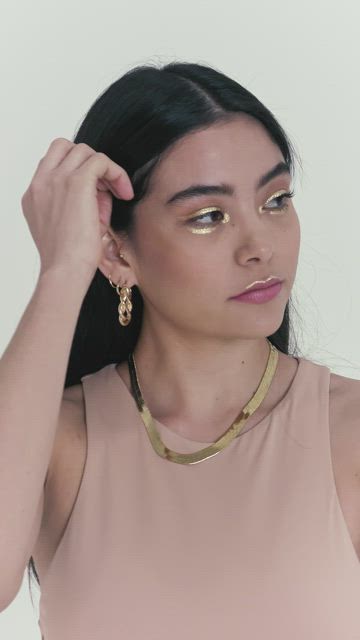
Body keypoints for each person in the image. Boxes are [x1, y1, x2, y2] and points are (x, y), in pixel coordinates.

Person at [1, 61, 360, 638]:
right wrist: (63, 270)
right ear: (117, 254)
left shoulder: (347, 432)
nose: (259, 246)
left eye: (275, 200)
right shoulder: (58, 439)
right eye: (208, 216)